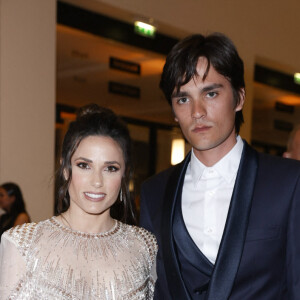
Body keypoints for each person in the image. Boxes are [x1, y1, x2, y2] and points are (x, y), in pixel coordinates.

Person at [140, 33, 300, 300]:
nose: (197, 111)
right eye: (183, 99)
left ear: (238, 98)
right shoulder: (154, 192)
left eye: (210, 93)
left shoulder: (289, 183)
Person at [0, 104, 157, 299]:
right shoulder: (22, 244)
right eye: (84, 165)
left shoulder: (144, 246)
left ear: (125, 174)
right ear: (66, 168)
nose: (97, 181)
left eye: (111, 168)